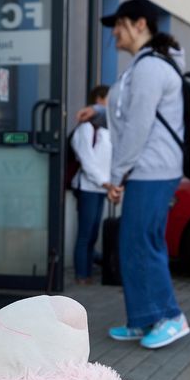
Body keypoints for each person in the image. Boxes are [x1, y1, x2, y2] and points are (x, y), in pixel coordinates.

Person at [81, 0, 188, 350]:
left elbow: (139, 125)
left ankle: (171, 316)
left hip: (153, 169)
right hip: (147, 169)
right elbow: (126, 114)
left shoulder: (150, 67)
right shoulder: (143, 65)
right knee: (132, 243)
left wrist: (117, 175)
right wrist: (99, 113)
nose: (114, 32)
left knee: (143, 242)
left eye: (119, 24)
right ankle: (144, 318)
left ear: (140, 24)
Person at [70, 84, 112, 284]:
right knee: (85, 233)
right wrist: (104, 183)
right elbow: (87, 161)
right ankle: (81, 274)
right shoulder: (86, 128)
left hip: (101, 188)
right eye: (109, 99)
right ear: (99, 100)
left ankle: (87, 271)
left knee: (93, 232)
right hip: (88, 187)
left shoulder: (105, 130)